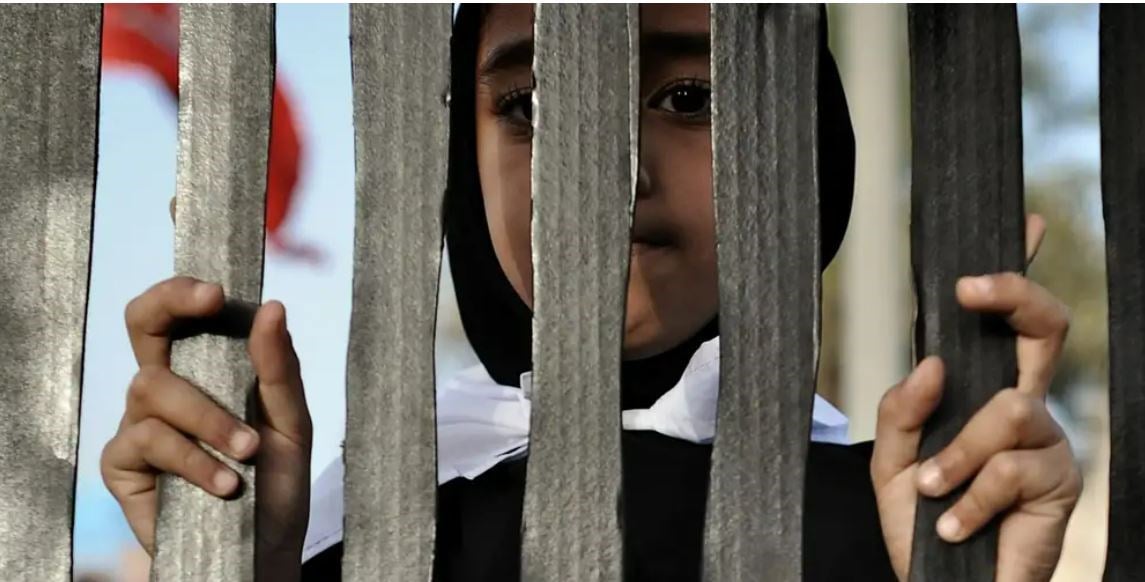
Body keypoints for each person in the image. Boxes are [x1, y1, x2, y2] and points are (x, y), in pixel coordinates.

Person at [100, 5, 1081, 581]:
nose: (610, 174)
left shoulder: (904, 518)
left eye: (688, 100)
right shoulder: (343, 525)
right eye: (529, 107)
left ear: (804, 148)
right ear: (458, 165)